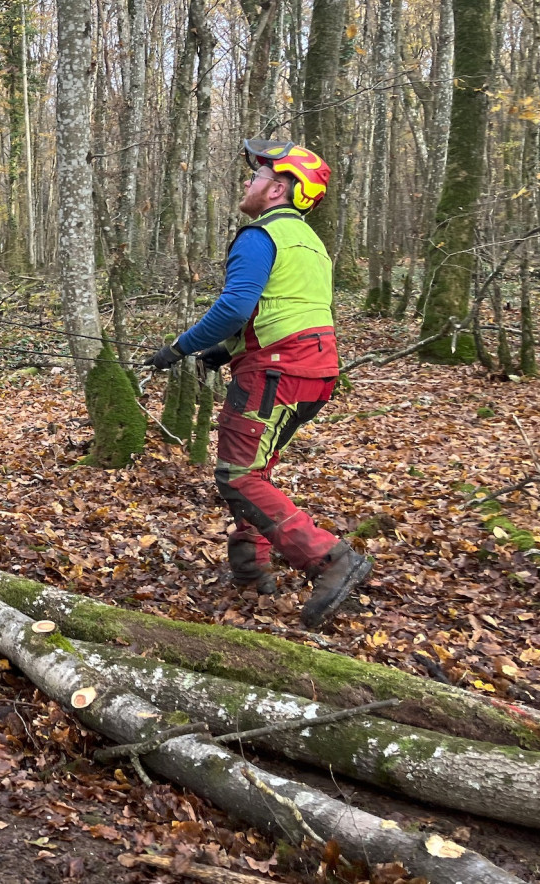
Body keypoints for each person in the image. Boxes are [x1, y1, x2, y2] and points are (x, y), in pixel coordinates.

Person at [146, 139, 373, 629]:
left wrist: (179, 348)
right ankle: (251, 568)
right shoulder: (310, 244)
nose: (250, 183)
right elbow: (286, 309)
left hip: (277, 373)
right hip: (312, 372)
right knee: (254, 469)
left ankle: (330, 560)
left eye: (259, 175)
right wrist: (223, 353)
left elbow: (234, 308)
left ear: (279, 189)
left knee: (238, 475)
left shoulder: (260, 236)